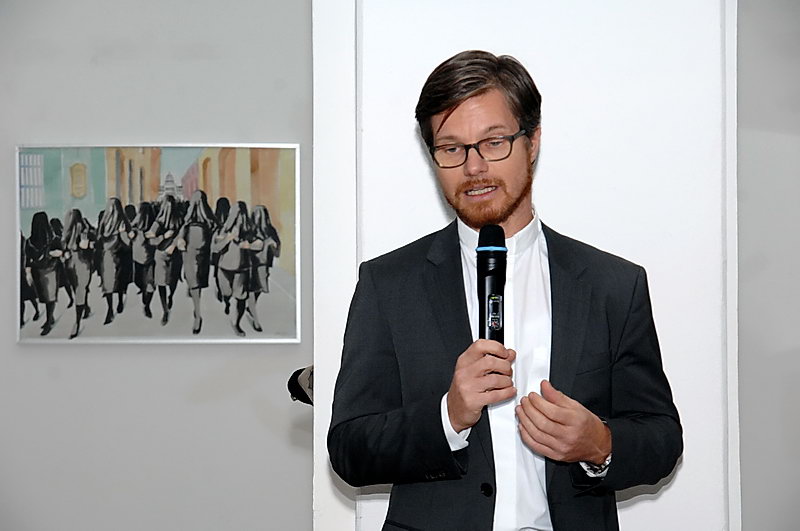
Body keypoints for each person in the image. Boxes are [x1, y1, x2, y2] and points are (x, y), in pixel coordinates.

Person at [328, 51, 682, 531]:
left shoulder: (611, 285)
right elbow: (348, 448)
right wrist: (448, 416)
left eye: (493, 142)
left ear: (532, 142)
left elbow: (661, 438)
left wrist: (600, 443)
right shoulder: (388, 283)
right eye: (451, 148)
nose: (473, 167)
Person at [176, 190, 217, 334]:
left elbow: (181, 235)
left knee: (195, 283)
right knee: (195, 284)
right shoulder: (209, 220)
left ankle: (197, 312)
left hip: (194, 255)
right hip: (197, 255)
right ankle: (198, 314)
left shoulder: (190, 220)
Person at [212, 201, 253, 337]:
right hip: (224, 268)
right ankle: (227, 302)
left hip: (242, 269)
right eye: (237, 215)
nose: (240, 218)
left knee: (241, 297)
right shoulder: (223, 230)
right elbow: (215, 248)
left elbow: (258, 244)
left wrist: (249, 245)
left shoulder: (249, 231)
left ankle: (237, 324)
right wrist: (228, 239)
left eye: (242, 214)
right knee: (227, 293)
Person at [146, 194, 183, 326]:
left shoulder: (179, 220)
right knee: (161, 283)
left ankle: (170, 297)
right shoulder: (157, 223)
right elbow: (151, 241)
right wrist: (163, 236)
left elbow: (183, 234)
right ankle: (165, 310)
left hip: (174, 254)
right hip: (161, 256)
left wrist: (174, 244)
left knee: (172, 281)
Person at [25, 211, 63, 336]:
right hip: (50, 270)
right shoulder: (53, 239)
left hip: (39, 271)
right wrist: (52, 254)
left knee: (48, 297)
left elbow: (28, 259)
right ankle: (50, 318)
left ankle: (48, 321)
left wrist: (28, 273)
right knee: (48, 298)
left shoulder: (30, 241)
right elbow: (61, 252)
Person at [97, 198, 132, 325]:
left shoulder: (103, 221)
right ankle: (118, 303)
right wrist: (122, 234)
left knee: (109, 283)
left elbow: (98, 239)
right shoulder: (123, 221)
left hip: (108, 256)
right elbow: (128, 244)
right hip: (119, 255)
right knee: (119, 281)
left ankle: (110, 309)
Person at [62, 208, 96, 339]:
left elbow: (92, 243)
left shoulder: (81, 229)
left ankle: (77, 322)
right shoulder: (75, 230)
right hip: (77, 262)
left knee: (79, 289)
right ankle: (85, 307)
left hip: (77, 262)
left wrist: (88, 245)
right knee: (79, 289)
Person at [246, 205, 280, 332]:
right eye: (257, 214)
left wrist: (273, 245)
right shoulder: (249, 230)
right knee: (251, 292)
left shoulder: (270, 231)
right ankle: (255, 320)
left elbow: (277, 252)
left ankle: (251, 308)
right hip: (251, 266)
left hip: (263, 267)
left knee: (258, 290)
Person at [128, 202, 157, 319]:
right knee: (149, 283)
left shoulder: (135, 226)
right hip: (149, 258)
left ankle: (146, 304)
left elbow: (129, 238)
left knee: (142, 282)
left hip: (139, 259)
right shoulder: (154, 226)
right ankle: (147, 304)